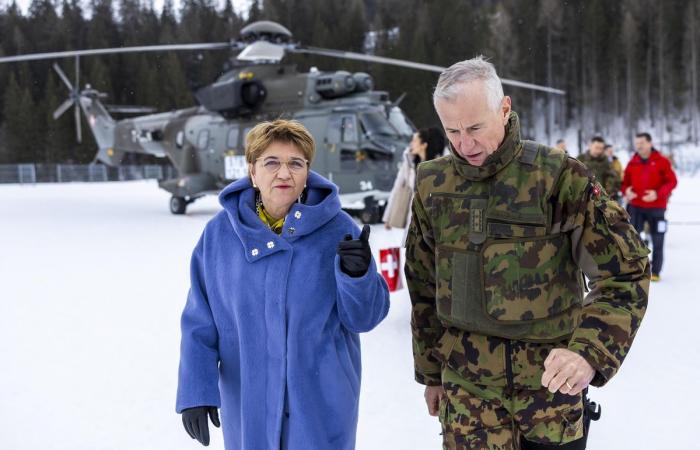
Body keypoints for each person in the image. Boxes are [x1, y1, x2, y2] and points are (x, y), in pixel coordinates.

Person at [405, 56, 649, 450]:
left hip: (549, 395)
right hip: (469, 399)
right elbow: (422, 281)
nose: (464, 144)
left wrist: (588, 353)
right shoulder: (434, 185)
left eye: (475, 128)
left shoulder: (558, 176)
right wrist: (431, 372)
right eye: (452, 130)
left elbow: (626, 272)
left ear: (505, 109)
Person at [176, 119, 390, 449]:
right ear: (252, 170)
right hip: (248, 399)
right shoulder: (220, 235)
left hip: (320, 401)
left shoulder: (339, 229)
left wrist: (358, 275)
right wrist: (196, 389)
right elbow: (199, 321)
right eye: (271, 162)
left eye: (296, 163)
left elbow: (364, 318)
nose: (284, 173)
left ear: (307, 172)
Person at [622, 132, 678, 282]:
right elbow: (625, 183)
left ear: (649, 143)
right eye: (637, 143)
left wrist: (658, 193)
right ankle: (636, 269)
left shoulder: (662, 161)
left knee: (658, 238)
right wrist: (626, 191)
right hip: (636, 207)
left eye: (641, 143)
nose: (639, 146)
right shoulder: (632, 162)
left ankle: (656, 271)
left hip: (657, 208)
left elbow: (672, 182)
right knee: (633, 239)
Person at [383, 127, 446, 235]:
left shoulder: (441, 166)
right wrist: (388, 217)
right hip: (414, 220)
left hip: (436, 224)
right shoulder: (410, 162)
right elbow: (397, 187)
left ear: (424, 145)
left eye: (415, 140)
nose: (411, 143)